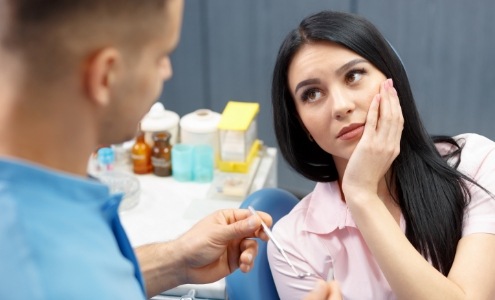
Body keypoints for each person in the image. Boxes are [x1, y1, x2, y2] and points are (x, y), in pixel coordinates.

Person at [0, 0, 275, 299]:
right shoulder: (42, 273)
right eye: (161, 56)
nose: (167, 71)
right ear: (107, 76)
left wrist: (176, 259)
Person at [268, 10, 495, 300]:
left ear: (392, 78)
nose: (340, 106)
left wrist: (361, 195)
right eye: (312, 94)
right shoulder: (292, 244)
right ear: (302, 124)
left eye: (353, 75)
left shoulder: (476, 163)